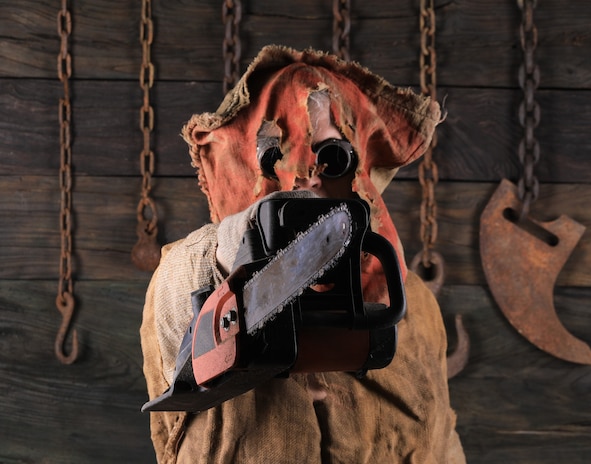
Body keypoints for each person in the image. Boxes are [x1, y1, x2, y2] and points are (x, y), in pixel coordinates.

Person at [140, 44, 465, 463]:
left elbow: (443, 441)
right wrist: (246, 239)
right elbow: (186, 286)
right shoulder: (189, 270)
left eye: (330, 154)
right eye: (277, 152)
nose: (305, 174)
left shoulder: (411, 299)